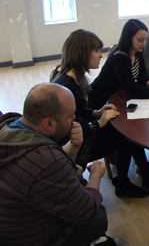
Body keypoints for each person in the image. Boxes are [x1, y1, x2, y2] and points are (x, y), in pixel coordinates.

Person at [55, 29, 149, 199]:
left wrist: (95, 112)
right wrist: (98, 123)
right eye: (96, 51)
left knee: (125, 127)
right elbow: (69, 130)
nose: (100, 55)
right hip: (75, 146)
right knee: (125, 134)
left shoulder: (74, 79)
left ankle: (141, 174)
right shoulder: (67, 88)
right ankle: (125, 184)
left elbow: (77, 110)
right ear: (82, 54)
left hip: (81, 130)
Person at [0, 83, 109, 245]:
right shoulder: (44, 160)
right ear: (49, 124)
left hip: (12, 225)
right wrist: (95, 176)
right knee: (98, 216)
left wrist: (75, 145)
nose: (74, 119)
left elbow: (55, 168)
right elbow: (86, 210)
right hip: (32, 237)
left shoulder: (10, 126)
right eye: (70, 116)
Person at [88, 19, 149, 109]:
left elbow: (142, 73)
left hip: (117, 94)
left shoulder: (137, 51)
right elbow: (132, 89)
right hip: (100, 99)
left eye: (145, 39)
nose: (144, 43)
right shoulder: (120, 58)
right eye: (140, 40)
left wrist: (147, 81)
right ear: (128, 38)